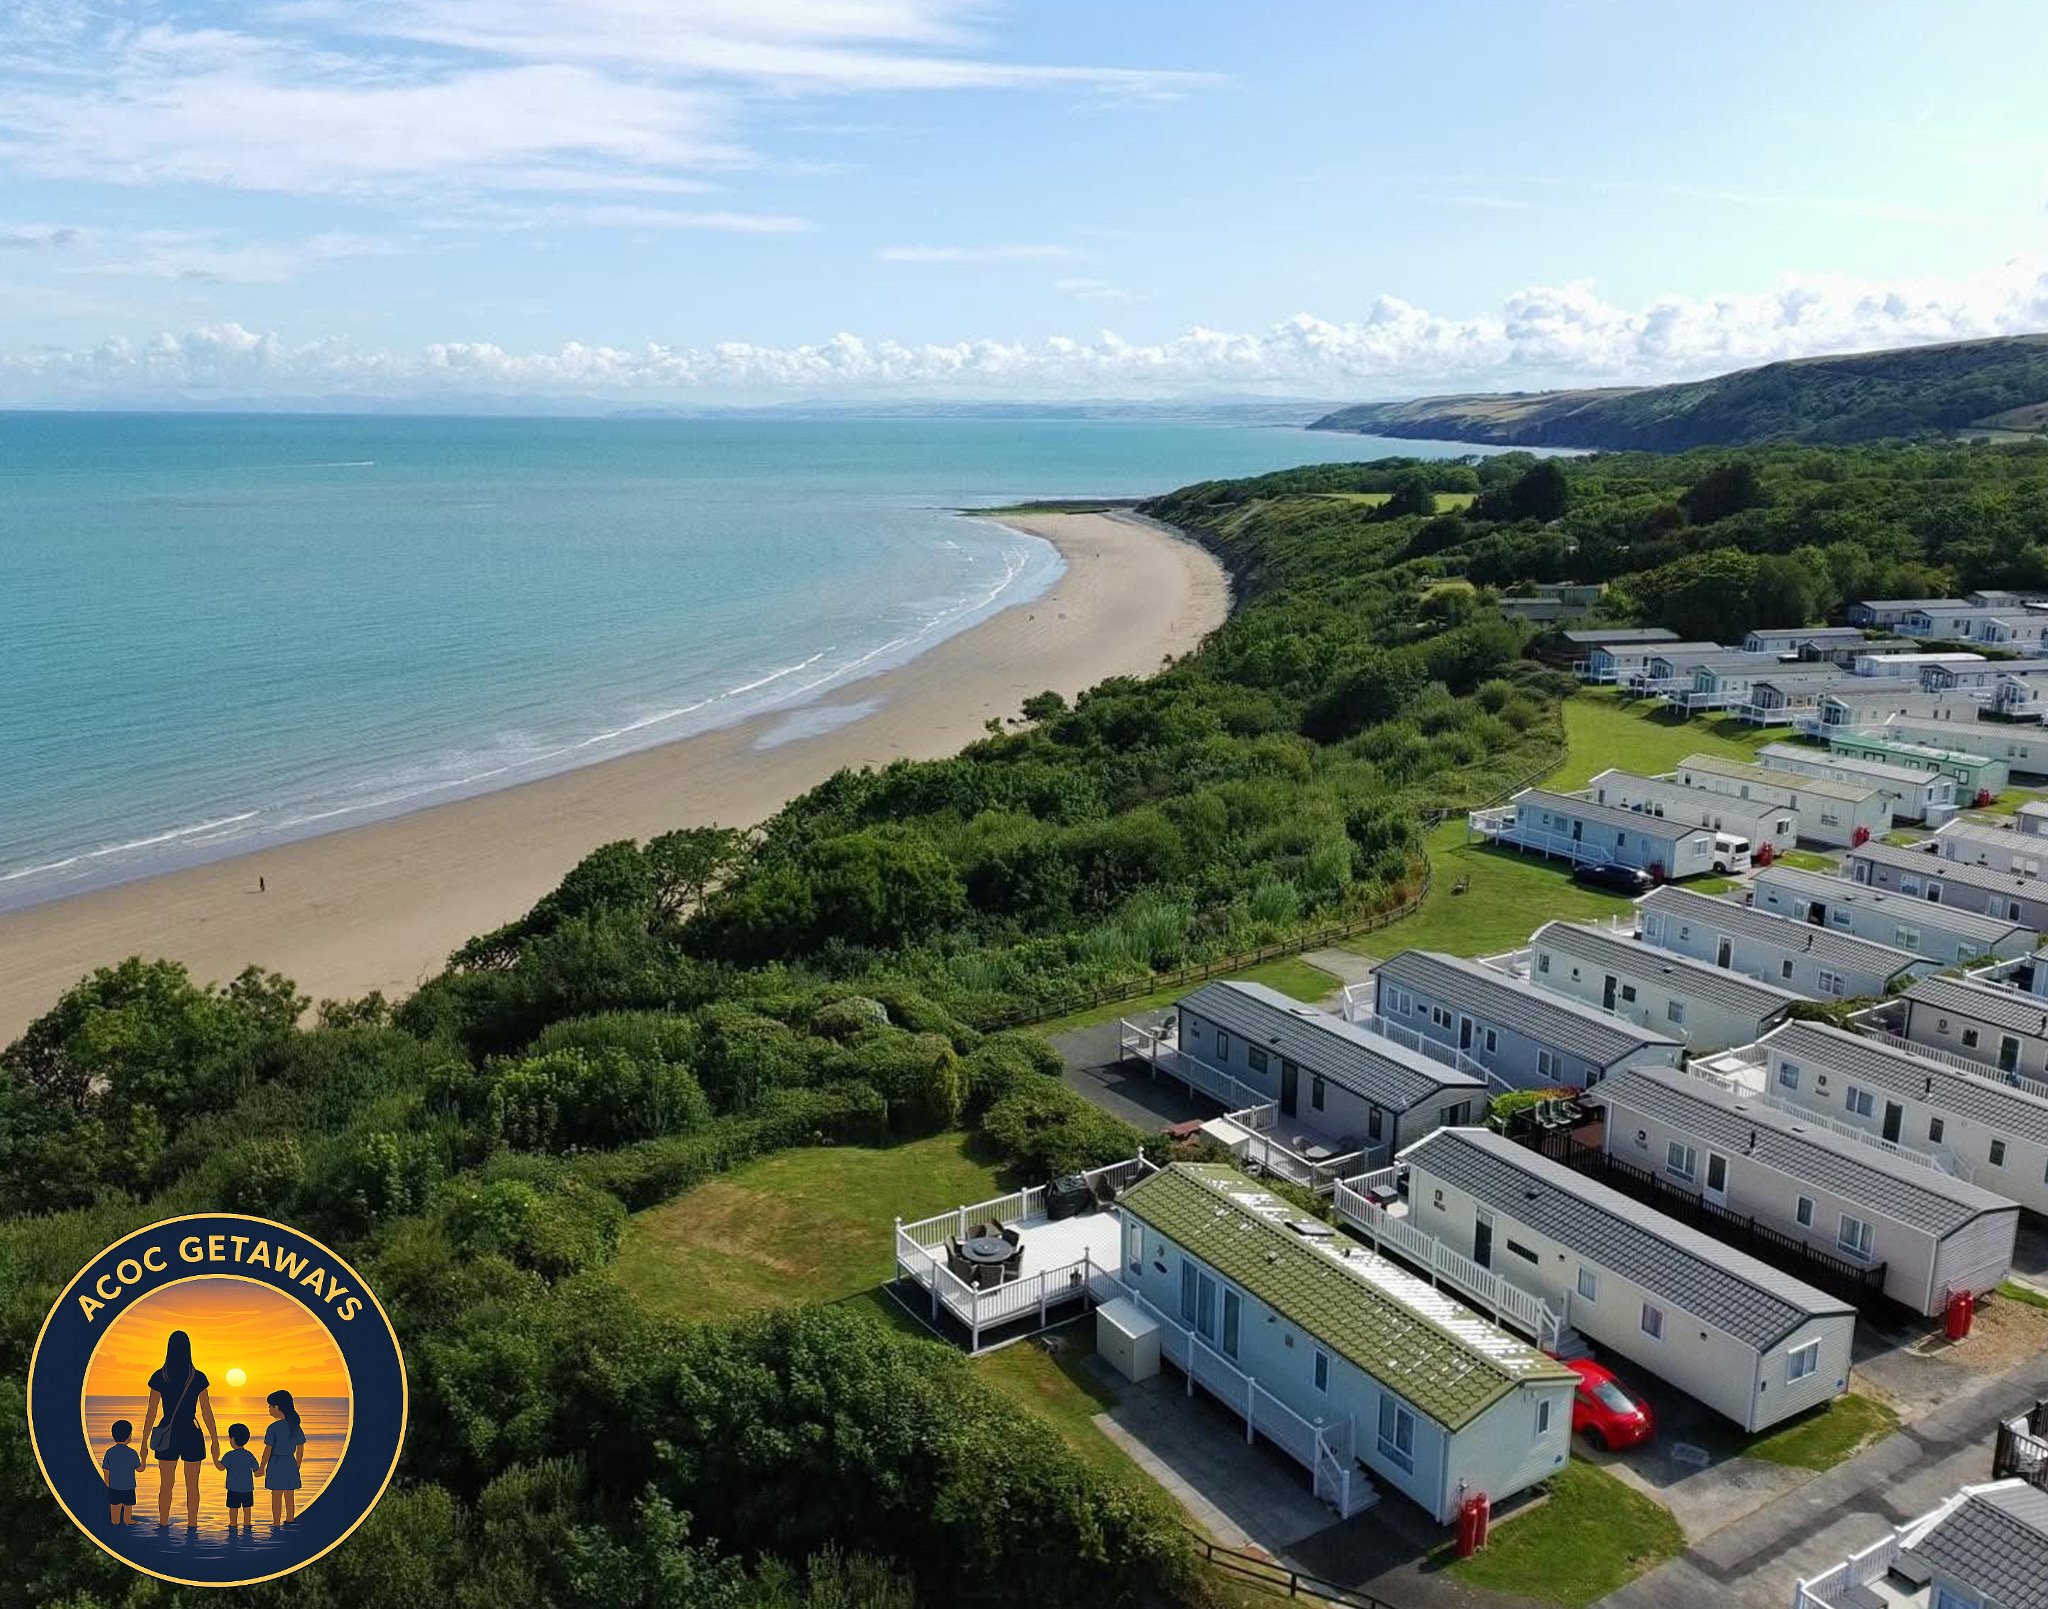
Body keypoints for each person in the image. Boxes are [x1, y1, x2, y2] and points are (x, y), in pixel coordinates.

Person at [138, 1329, 219, 1527]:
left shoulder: (160, 1376)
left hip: (167, 1433)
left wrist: (144, 1442)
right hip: (192, 1433)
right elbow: (206, 1411)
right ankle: (192, 1526)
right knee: (193, 1486)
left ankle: (163, 1525)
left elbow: (151, 1412)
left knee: (166, 1485)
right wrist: (215, 1440)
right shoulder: (197, 1377)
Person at [260, 1390, 305, 1524]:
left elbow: (268, 1450)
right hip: (290, 1463)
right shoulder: (295, 1426)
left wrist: (262, 1467)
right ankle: (290, 1519)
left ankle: (276, 1522)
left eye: (270, 1406)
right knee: (290, 1494)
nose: (269, 1409)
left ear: (277, 1407)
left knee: (276, 1495)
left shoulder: (273, 1428)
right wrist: (297, 1465)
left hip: (276, 1463)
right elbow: (300, 1447)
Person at [215, 1423, 260, 1534]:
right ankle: (247, 1526)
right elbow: (257, 1470)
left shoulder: (229, 1455)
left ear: (233, 1439)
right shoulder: (249, 1455)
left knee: (233, 1510)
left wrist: (215, 1459)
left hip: (233, 1489)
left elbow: (221, 1468)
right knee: (247, 1510)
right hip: (247, 1489)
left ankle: (233, 1526)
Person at [102, 1420, 140, 1527]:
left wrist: (108, 1483)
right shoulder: (132, 1453)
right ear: (129, 1436)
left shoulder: (109, 1452)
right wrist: (144, 1460)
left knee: (115, 1505)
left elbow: (106, 1469)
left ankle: (115, 1521)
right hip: (128, 1487)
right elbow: (139, 1468)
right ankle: (127, 1520)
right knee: (128, 1505)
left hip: (114, 1486)